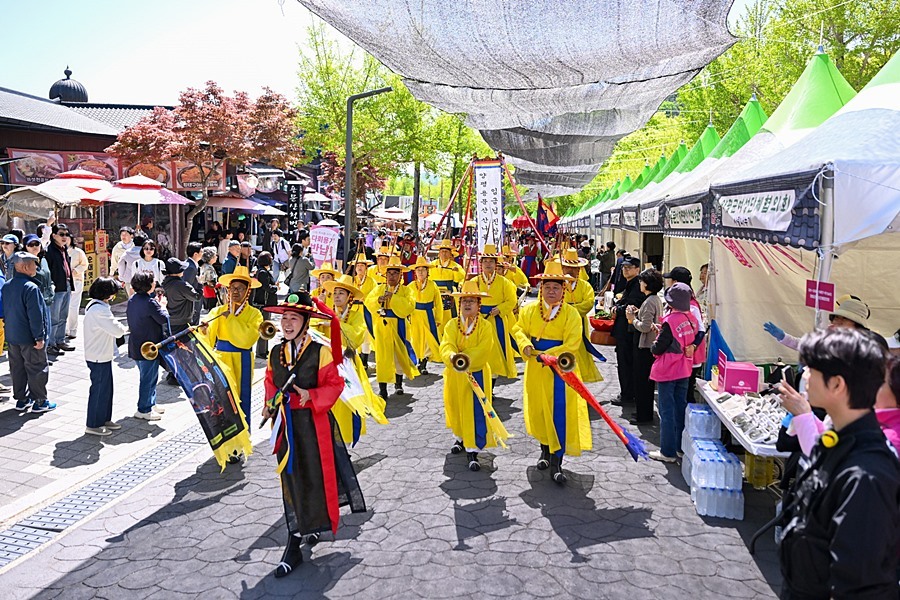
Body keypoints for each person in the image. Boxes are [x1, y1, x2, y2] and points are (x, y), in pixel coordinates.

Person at [777, 328, 899, 599]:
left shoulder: (866, 475)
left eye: (812, 369)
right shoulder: (833, 442)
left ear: (837, 384)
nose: (804, 375)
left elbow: (858, 585)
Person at [260, 291, 365, 578]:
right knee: (292, 478)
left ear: (306, 322)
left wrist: (311, 394)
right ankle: (294, 541)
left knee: (315, 476)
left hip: (314, 425)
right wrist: (269, 405)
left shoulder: (320, 352)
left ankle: (310, 525)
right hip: (286, 426)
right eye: (284, 318)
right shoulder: (275, 353)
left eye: (294, 318)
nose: (287, 323)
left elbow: (335, 384)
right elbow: (271, 382)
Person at [512, 260, 590, 484]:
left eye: (556, 287)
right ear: (541, 289)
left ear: (563, 289)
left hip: (560, 369)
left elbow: (572, 343)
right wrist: (526, 344)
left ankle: (557, 461)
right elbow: (518, 328)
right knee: (539, 410)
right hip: (536, 368)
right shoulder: (529, 310)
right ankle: (544, 451)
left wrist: (548, 356)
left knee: (559, 413)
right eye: (547, 287)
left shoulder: (571, 314)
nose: (551, 291)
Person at [318, 275, 387, 446]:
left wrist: (335, 324)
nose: (337, 296)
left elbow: (356, 338)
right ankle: (329, 441)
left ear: (349, 297)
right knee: (330, 403)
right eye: (335, 293)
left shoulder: (356, 316)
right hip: (327, 364)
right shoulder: (326, 313)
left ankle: (344, 441)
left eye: (341, 293)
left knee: (347, 403)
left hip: (348, 363)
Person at [440, 279, 497, 471]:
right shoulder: (451, 325)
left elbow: (485, 349)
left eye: (471, 301)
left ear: (479, 305)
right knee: (456, 406)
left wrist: (465, 357)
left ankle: (473, 449)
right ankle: (460, 437)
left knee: (475, 410)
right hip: (455, 374)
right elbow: (446, 344)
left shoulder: (485, 327)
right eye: (464, 300)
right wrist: (452, 356)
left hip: (477, 373)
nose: (467, 304)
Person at [204, 265, 263, 431]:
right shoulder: (219, 310)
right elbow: (208, 334)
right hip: (221, 359)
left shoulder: (255, 314)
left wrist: (230, 319)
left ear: (248, 291)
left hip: (242, 359)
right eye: (233, 288)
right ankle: (225, 435)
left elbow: (247, 338)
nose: (236, 292)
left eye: (241, 288)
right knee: (222, 398)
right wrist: (203, 329)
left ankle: (243, 433)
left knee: (241, 398)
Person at [648, 283, 701, 462]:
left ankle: (667, 451)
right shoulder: (691, 318)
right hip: (684, 369)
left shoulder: (670, 320)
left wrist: (655, 344)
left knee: (666, 411)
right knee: (680, 409)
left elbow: (659, 347)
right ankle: (680, 448)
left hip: (668, 369)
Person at [4, 252, 55, 413]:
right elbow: (36, 315)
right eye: (34, 264)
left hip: (12, 336)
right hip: (29, 338)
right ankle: (40, 401)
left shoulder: (7, 285)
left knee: (17, 368)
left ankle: (21, 400)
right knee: (37, 368)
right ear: (25, 267)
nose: (36, 267)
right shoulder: (31, 288)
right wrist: (39, 337)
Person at [363, 256, 420, 400]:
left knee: (398, 355)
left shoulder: (407, 291)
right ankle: (383, 389)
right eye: (389, 273)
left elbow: (409, 306)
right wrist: (378, 300)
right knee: (382, 358)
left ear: (400, 276)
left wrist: (393, 298)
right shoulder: (379, 288)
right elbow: (368, 302)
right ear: (385, 275)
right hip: (382, 326)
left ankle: (398, 383)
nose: (392, 276)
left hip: (399, 325)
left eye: (395, 273)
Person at [82, 277, 128, 436]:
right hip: (98, 355)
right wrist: (125, 328)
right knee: (99, 390)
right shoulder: (99, 310)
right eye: (112, 294)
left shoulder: (96, 305)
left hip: (101, 353)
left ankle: (104, 418)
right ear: (106, 294)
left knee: (106, 389)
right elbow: (116, 329)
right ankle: (93, 424)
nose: (113, 297)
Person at [127, 272, 169, 421]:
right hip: (149, 347)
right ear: (148, 284)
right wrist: (162, 306)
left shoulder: (133, 299)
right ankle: (143, 409)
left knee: (150, 376)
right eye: (153, 281)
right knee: (148, 378)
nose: (155, 283)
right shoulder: (150, 303)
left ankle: (151, 403)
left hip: (136, 344)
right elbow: (163, 318)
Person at [764, 294, 875, 350]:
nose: (838, 322)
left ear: (857, 325)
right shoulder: (829, 334)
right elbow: (805, 345)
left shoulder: (862, 346)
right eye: (837, 317)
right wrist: (783, 337)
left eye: (845, 319)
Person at [559, 248, 604, 384]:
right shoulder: (557, 284)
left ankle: (579, 379)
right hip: (560, 323)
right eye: (568, 267)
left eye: (575, 268)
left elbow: (589, 303)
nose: (571, 271)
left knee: (580, 350)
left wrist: (571, 310)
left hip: (579, 322)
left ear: (579, 270)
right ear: (563, 268)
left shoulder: (585, 286)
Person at [663, 266, 707, 399]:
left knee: (686, 392)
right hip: (681, 354)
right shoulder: (683, 300)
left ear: (675, 282)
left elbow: (701, 330)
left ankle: (685, 419)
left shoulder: (690, 305)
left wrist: (693, 346)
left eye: (670, 280)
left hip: (689, 355)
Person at [475, 244, 518, 380]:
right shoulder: (474, 281)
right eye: (485, 261)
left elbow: (511, 300)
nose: (488, 264)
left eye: (491, 261)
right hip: (479, 320)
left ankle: (491, 384)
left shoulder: (504, 282)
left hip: (497, 319)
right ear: (481, 263)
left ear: (495, 263)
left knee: (496, 352)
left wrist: (500, 309)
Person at [628, 268, 664, 425]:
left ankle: (643, 414)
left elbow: (645, 326)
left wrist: (632, 319)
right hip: (651, 345)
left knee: (642, 382)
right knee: (646, 382)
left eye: (642, 281)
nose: (640, 284)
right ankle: (645, 412)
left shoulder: (649, 301)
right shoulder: (654, 299)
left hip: (645, 346)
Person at [610, 256, 644, 407]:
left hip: (628, 330)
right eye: (624, 267)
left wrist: (618, 309)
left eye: (629, 268)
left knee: (626, 363)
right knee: (625, 363)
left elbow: (634, 305)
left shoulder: (637, 285)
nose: (625, 270)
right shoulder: (630, 283)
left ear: (637, 269)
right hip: (625, 330)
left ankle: (627, 394)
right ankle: (628, 392)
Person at [161, 257, 200, 385]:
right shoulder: (182, 285)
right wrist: (199, 284)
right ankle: (177, 377)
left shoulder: (165, 283)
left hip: (169, 321)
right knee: (183, 351)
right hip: (182, 321)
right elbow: (196, 296)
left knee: (172, 349)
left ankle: (172, 374)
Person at [407, 256, 444, 374]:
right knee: (416, 339)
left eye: (423, 270)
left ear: (427, 272)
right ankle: (417, 360)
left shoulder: (433, 285)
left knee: (428, 340)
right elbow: (406, 302)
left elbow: (438, 303)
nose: (421, 272)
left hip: (428, 315)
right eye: (418, 270)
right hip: (415, 316)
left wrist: (438, 318)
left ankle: (423, 363)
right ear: (415, 272)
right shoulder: (411, 286)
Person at [44, 224, 75, 354]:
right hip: (56, 288)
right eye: (61, 234)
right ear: (54, 235)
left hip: (66, 285)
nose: (64, 237)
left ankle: (60, 340)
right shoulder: (49, 251)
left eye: (66, 234)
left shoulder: (64, 249)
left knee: (63, 316)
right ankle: (51, 344)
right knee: (54, 317)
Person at [431, 239, 466, 326]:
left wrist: (456, 272)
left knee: (450, 317)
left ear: (451, 254)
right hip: (435, 293)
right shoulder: (432, 265)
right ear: (439, 253)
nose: (444, 254)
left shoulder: (456, 266)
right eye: (442, 251)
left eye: (446, 252)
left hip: (450, 293)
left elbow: (461, 280)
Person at [252, 252, 279, 359]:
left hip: (264, 303)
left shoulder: (262, 271)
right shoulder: (263, 272)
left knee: (266, 326)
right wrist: (276, 287)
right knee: (264, 327)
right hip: (263, 303)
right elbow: (267, 287)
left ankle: (264, 350)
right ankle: (261, 352)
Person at [66, 236, 89, 340]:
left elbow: (85, 264)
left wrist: (75, 271)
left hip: (76, 280)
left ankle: (72, 329)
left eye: (66, 237)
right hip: (63, 281)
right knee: (64, 306)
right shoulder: (58, 251)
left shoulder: (78, 252)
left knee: (73, 306)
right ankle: (64, 329)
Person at [184, 242, 203, 325]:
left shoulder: (193, 265)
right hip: (192, 299)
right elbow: (187, 286)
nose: (202, 253)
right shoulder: (190, 267)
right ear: (195, 254)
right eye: (201, 251)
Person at [198, 247, 219, 312]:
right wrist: (220, 284)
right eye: (215, 255)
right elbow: (211, 282)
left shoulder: (204, 266)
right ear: (211, 257)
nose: (217, 257)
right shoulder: (209, 268)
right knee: (212, 310)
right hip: (210, 291)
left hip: (206, 291)